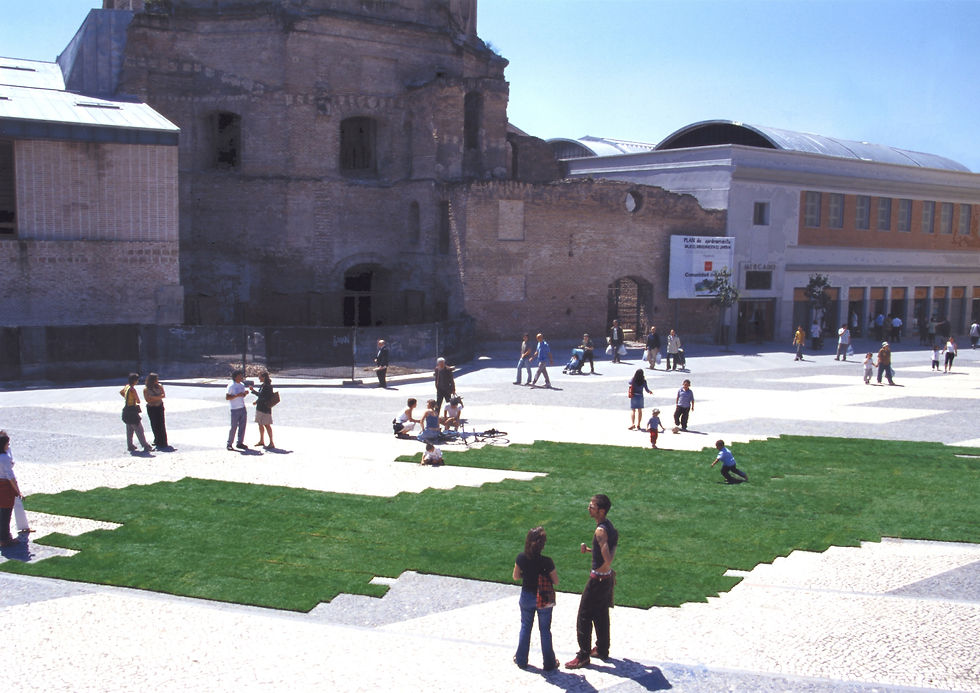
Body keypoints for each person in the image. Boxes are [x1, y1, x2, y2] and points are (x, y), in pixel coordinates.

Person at [566, 494, 618, 669]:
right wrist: (590, 550)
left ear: (601, 511)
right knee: (601, 614)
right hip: (607, 578)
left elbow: (607, 557)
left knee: (584, 615)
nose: (589, 508)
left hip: (597, 580)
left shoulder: (600, 531)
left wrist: (604, 555)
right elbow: (606, 552)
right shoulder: (610, 528)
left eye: (592, 506)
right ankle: (602, 649)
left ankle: (583, 655)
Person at [513, 526, 559, 671]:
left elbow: (515, 576)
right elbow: (556, 581)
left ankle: (521, 660)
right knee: (545, 630)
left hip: (527, 596)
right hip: (544, 598)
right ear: (542, 544)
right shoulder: (547, 561)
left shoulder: (521, 558)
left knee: (525, 627)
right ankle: (549, 663)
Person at [0, 433, 24, 546]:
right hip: (4, 487)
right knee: (5, 513)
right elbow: (11, 477)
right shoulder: (4, 458)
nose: (8, 445)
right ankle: (4, 539)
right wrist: (18, 491)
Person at [120, 373, 152, 454]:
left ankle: (130, 445)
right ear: (135, 381)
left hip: (126, 410)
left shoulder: (127, 386)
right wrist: (132, 399)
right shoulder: (132, 389)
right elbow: (138, 400)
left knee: (129, 429)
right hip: (132, 411)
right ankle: (145, 445)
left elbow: (121, 392)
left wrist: (127, 398)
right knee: (139, 429)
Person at [143, 372, 169, 451]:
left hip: (159, 406)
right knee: (154, 424)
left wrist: (154, 397)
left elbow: (163, 395)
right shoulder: (146, 389)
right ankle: (157, 440)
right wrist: (158, 397)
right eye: (156, 379)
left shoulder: (160, 386)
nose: (157, 381)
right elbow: (147, 399)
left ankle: (163, 441)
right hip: (151, 408)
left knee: (161, 423)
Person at [250, 370, 276, 448]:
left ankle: (271, 442)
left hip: (265, 408)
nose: (259, 378)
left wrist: (253, 392)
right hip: (260, 407)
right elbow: (261, 396)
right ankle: (262, 440)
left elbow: (263, 396)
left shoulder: (267, 386)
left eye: (260, 377)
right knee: (260, 424)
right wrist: (256, 400)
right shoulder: (263, 385)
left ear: (264, 377)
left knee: (267, 425)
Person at [226, 369, 249, 450]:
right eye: (240, 376)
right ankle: (229, 443)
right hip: (234, 409)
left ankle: (240, 443)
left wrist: (244, 394)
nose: (241, 377)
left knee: (242, 426)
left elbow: (242, 396)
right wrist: (236, 395)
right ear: (235, 377)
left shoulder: (242, 385)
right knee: (233, 427)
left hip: (242, 408)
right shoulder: (231, 386)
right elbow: (227, 397)